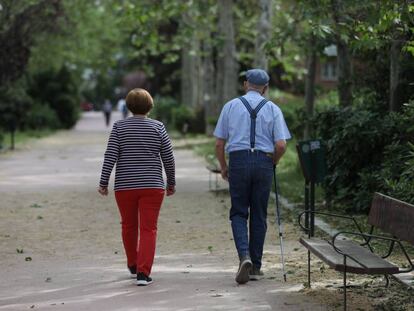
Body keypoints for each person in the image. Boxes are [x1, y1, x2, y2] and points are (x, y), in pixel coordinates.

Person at [214, 69, 291, 284]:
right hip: (263, 161)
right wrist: (273, 161)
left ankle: (244, 256)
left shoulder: (230, 106)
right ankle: (256, 266)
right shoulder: (273, 108)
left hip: (238, 160)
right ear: (266, 88)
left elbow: (219, 143)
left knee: (239, 212)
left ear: (246, 84)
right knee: (259, 213)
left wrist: (223, 166)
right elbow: (281, 145)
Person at [98, 88, 176, 286]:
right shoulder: (158, 127)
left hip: (125, 186)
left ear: (129, 106)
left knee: (128, 225)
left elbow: (110, 156)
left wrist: (104, 182)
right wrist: (171, 182)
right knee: (149, 229)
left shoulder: (119, 127)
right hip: (152, 186)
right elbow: (168, 157)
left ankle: (133, 264)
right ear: (150, 105)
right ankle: (143, 273)